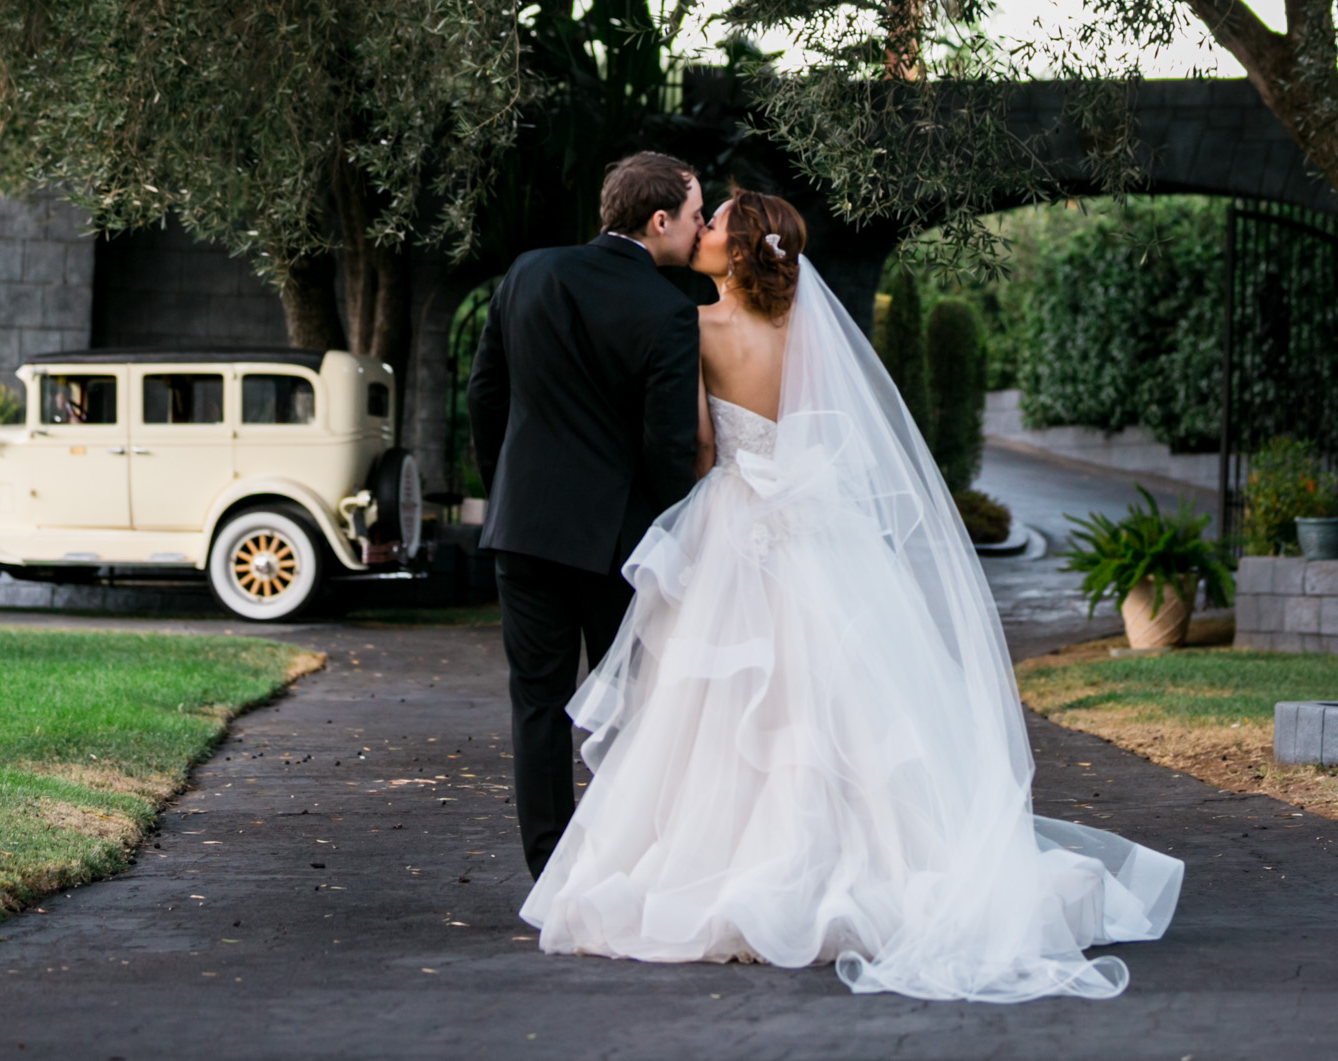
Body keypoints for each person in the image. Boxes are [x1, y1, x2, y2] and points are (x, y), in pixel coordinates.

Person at [518, 189, 1184, 1004]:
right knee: (844, 702)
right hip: (818, 526)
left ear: (736, 249)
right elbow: (835, 432)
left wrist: (711, 483)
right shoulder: (811, 332)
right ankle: (859, 864)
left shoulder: (694, 329)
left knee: (725, 707)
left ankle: (739, 870)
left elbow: (695, 444)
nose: (706, 229)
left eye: (717, 221)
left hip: (735, 522)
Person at [465, 150, 708, 877]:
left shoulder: (529, 271)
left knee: (536, 704)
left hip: (525, 531)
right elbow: (667, 448)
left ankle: (550, 871)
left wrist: (508, 489)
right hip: (616, 545)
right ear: (659, 219)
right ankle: (620, 862)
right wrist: (672, 536)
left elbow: (485, 394)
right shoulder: (669, 309)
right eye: (696, 216)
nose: (699, 231)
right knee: (629, 706)